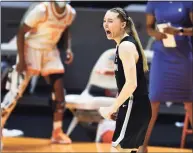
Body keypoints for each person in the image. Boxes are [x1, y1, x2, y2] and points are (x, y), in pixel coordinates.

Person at [1, 0, 76, 146]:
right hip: (31, 48)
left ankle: (57, 132)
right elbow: (22, 31)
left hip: (50, 50)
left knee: (59, 93)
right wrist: (22, 60)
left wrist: (68, 49)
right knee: (15, 93)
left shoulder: (70, 13)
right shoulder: (42, 10)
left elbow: (66, 29)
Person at [99, 7, 152, 153]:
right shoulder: (121, 46)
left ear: (123, 25)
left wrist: (112, 107)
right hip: (134, 107)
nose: (106, 24)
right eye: (104, 21)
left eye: (110, 21)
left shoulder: (126, 46)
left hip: (133, 106)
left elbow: (131, 84)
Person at [142, 1, 193, 152]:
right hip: (162, 56)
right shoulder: (154, 2)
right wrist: (155, 34)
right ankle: (142, 146)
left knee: (190, 103)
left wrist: (179, 31)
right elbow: (149, 28)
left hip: (184, 55)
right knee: (153, 100)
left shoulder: (188, 2)